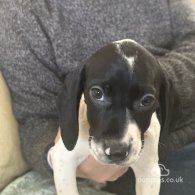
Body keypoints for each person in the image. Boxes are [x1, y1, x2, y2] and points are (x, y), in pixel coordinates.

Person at [0, 0, 195, 194]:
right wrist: (59, 154)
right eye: (98, 94)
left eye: (146, 100)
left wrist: (153, 78)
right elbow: (35, 119)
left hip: (173, 138)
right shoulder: (23, 12)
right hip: (102, 160)